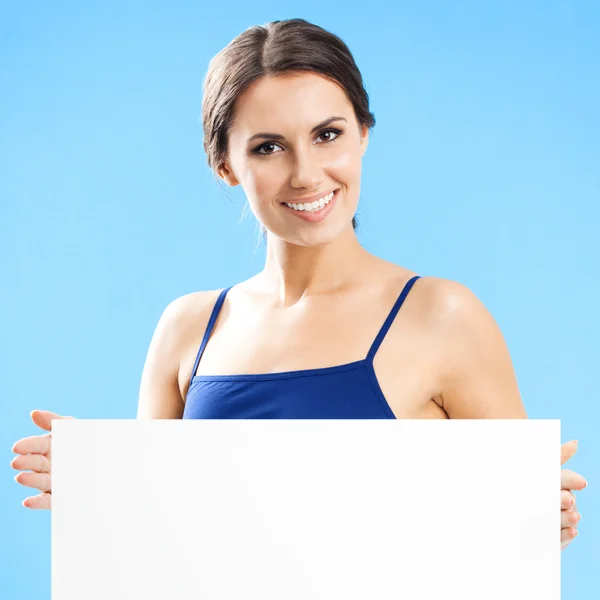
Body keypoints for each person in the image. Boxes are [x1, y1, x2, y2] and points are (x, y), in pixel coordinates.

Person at [10, 18, 586, 550]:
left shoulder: (443, 317)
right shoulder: (188, 329)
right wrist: (106, 488)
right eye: (268, 147)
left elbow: (509, 545)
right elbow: (163, 547)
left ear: (363, 134)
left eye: (328, 135)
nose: (307, 173)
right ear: (226, 166)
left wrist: (537, 521)